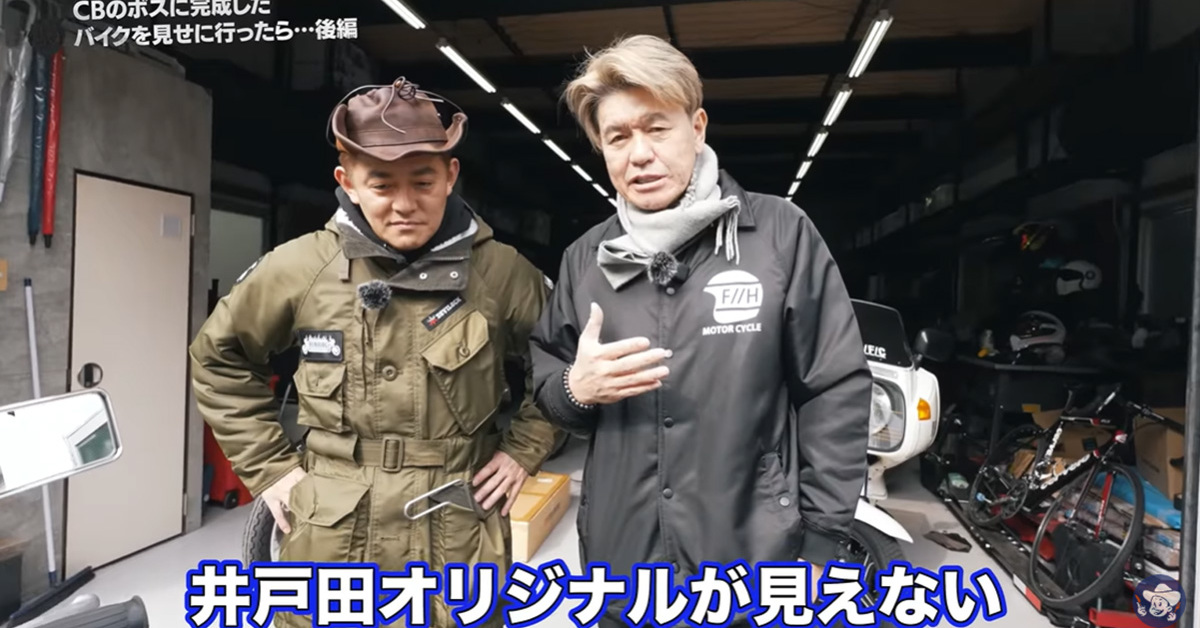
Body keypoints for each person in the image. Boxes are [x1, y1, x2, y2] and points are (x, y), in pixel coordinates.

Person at [189, 77, 561, 628]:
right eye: (382, 184)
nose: (405, 205)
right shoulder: (301, 268)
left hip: (457, 526)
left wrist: (524, 449)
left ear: (451, 175)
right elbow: (218, 357)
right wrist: (271, 468)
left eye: (424, 181)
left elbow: (564, 359)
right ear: (348, 181)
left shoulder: (500, 273)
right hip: (331, 529)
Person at [529, 35, 874, 625]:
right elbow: (546, 377)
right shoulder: (585, 260)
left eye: (656, 128)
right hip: (621, 558)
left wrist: (822, 535)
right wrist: (574, 389)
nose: (640, 154)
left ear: (697, 127)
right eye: (618, 137)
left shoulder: (779, 234)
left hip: (753, 552)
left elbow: (834, 387)